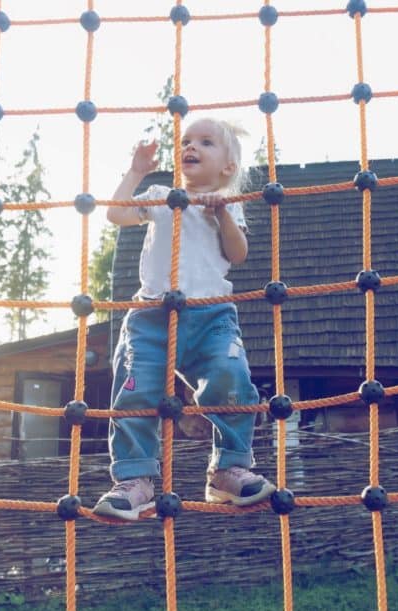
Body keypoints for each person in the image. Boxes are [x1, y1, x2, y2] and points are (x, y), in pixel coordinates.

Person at [92, 118, 275, 521]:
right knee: (135, 392)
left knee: (231, 379)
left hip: (211, 317)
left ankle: (227, 469)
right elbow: (116, 216)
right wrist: (138, 170)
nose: (190, 147)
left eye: (205, 142)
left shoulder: (229, 203)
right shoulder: (162, 196)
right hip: (151, 317)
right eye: (186, 141)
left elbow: (237, 254)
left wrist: (222, 215)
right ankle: (135, 481)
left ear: (227, 167)